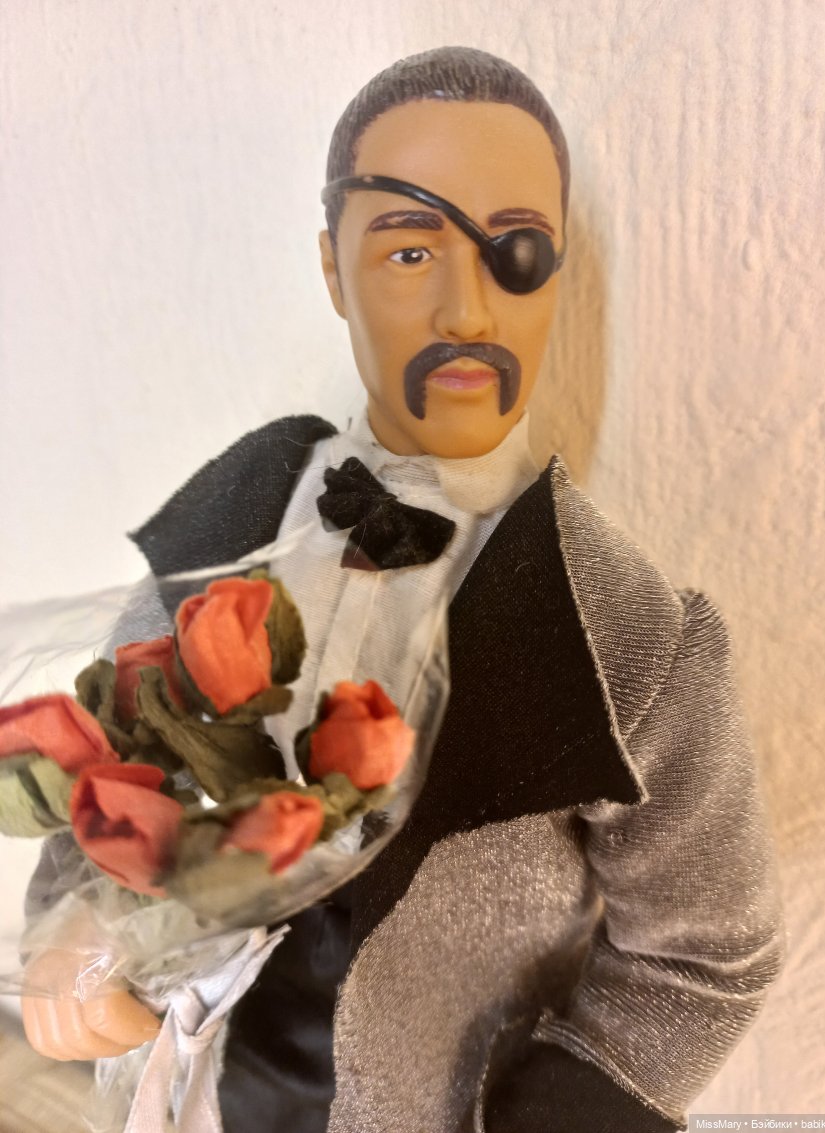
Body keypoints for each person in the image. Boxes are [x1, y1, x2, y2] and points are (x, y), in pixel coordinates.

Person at [22, 47, 783, 1132]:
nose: (465, 309)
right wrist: (72, 932)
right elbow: (108, 770)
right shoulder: (235, 521)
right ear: (333, 269)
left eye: (513, 251)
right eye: (410, 248)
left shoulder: (622, 633)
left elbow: (707, 955)